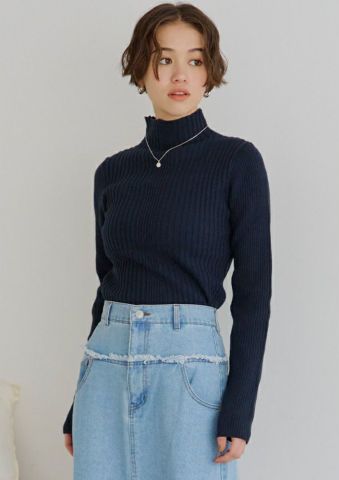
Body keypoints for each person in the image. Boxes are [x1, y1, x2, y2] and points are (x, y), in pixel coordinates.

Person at [63, 3, 272, 479]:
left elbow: (254, 295)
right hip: (105, 372)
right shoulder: (112, 173)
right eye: (163, 59)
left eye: (195, 60)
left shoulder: (236, 162)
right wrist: (79, 402)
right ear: (141, 69)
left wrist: (240, 408)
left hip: (190, 378)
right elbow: (106, 288)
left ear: (209, 72)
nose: (180, 74)